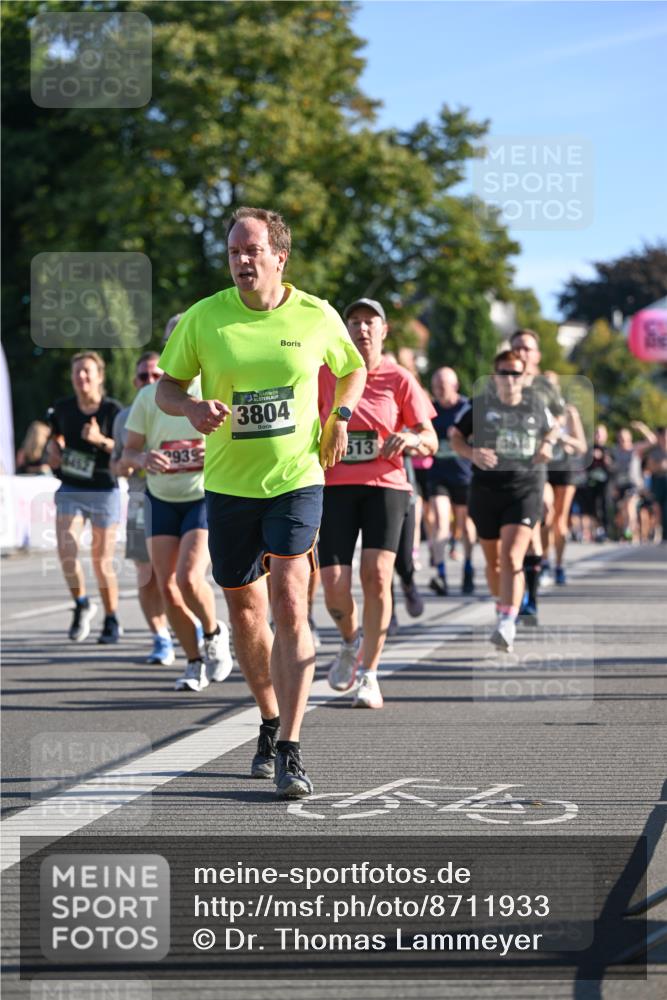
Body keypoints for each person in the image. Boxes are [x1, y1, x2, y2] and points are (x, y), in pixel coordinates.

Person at [156, 206, 366, 797]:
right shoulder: (204, 318)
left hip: (296, 477)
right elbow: (167, 386)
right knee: (245, 612)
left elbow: (351, 369)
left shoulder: (316, 314)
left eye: (252, 251)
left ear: (280, 256)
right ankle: (269, 720)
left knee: (291, 601)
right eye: (233, 252)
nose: (241, 261)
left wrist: (340, 415)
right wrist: (191, 407)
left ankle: (292, 749)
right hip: (228, 485)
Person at [318, 298, 437, 708]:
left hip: (386, 485)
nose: (362, 328)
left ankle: (369, 674)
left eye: (370, 322)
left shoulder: (399, 378)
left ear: (384, 330)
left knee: (377, 575)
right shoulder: (326, 374)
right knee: (333, 585)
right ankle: (350, 641)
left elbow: (431, 438)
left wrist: (412, 438)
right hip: (334, 485)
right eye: (354, 321)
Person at [121, 350, 232, 693]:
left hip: (201, 497)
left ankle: (213, 633)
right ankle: (194, 662)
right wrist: (143, 458)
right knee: (166, 587)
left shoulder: (214, 385)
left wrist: (213, 452)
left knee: (188, 578)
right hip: (161, 500)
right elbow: (127, 454)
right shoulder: (149, 396)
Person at [451, 350, 557, 652]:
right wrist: (471, 453)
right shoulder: (480, 405)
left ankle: (508, 621)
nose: (510, 379)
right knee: (494, 562)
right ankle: (503, 606)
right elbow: (455, 435)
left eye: (516, 373)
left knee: (512, 557)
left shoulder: (535, 404)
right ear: (495, 376)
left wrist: (548, 444)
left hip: (525, 489)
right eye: (504, 373)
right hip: (486, 490)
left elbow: (553, 428)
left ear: (524, 376)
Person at [46, 351, 123, 643]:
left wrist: (99, 440)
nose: (81, 377)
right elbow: (54, 438)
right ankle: (81, 604)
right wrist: (53, 450)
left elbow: (126, 448)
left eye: (87, 371)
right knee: (66, 552)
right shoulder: (62, 408)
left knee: (101, 561)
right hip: (71, 487)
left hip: (104, 488)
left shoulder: (112, 410)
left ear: (99, 376)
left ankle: (111, 618)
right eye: (76, 372)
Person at [110, 351, 174, 667]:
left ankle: (196, 628)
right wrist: (134, 462)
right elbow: (116, 465)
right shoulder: (124, 418)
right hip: (141, 500)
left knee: (179, 576)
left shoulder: (182, 407)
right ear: (135, 382)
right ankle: (161, 637)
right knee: (146, 576)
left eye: (156, 375)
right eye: (143, 376)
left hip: (181, 500)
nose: (149, 380)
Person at [509, 329, 565, 621]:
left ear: (537, 355)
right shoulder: (501, 381)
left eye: (527, 348)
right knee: (518, 532)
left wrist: (549, 439)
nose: (521, 352)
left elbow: (560, 419)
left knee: (543, 514)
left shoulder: (545, 386)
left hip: (540, 465)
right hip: (508, 468)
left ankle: (530, 592)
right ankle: (519, 586)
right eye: (517, 347)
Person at [427, 367, 475, 596]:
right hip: (439, 474)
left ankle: (468, 567)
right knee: (440, 520)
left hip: (465, 475)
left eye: (442, 386)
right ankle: (441, 574)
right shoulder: (430, 409)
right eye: (435, 386)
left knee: (465, 525)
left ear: (455, 386)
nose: (438, 390)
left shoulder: (466, 408)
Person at [541, 371, 587, 584]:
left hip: (565, 469)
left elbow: (582, 446)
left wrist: (564, 439)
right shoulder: (534, 409)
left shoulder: (569, 412)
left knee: (559, 521)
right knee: (545, 513)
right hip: (543, 469)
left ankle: (558, 564)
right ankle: (543, 562)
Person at [646, 426, 667, 542]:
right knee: (657, 508)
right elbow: (649, 468)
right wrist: (660, 466)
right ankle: (658, 531)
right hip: (658, 481)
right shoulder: (655, 452)